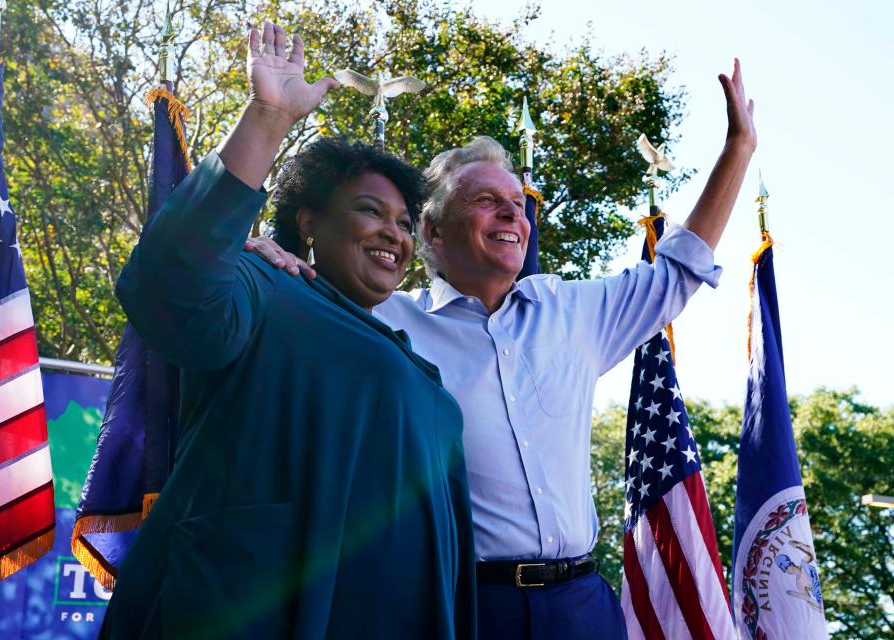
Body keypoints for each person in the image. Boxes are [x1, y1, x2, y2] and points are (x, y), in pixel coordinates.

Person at [250, 58, 757, 638]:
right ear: (433, 233)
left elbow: (679, 270)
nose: (513, 213)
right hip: (465, 606)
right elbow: (291, 301)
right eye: (486, 201)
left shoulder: (574, 313)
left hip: (584, 605)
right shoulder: (377, 318)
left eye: (517, 202)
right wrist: (273, 256)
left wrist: (738, 148)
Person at [100, 21, 476, 639]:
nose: (395, 234)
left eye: (406, 222)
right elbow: (171, 286)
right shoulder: (265, 284)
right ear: (307, 224)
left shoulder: (419, 371)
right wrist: (267, 119)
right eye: (369, 211)